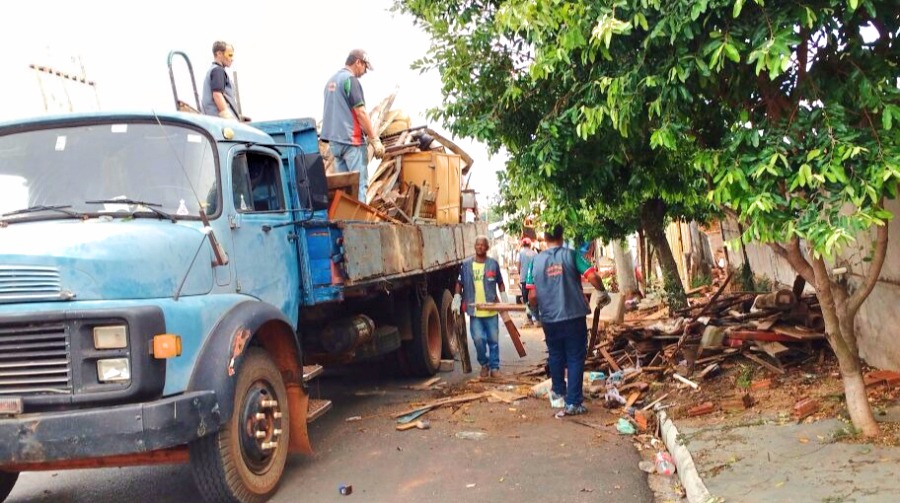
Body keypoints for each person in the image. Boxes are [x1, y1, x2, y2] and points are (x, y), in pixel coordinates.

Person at [527, 224, 610, 417]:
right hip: (573, 316)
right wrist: (603, 292)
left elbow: (532, 295)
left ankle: (558, 394)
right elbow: (593, 276)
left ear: (545, 239)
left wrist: (534, 312)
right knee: (574, 357)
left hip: (549, 318)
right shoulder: (572, 255)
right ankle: (573, 402)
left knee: (556, 355)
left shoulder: (536, 261)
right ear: (562, 236)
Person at [321, 49, 385, 201]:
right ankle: (359, 223)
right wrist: (374, 139)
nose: (365, 72)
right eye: (365, 67)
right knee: (359, 185)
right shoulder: (350, 81)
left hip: (335, 144)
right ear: (358, 62)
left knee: (343, 189)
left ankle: (347, 219)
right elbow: (361, 112)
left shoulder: (331, 81)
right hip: (352, 142)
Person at [453, 235, 508, 378]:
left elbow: (500, 282)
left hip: (491, 311)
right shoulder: (466, 265)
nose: (480, 247)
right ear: (475, 246)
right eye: (477, 244)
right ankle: (484, 364)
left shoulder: (493, 264)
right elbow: (459, 283)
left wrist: (504, 298)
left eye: (483, 245)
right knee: (478, 340)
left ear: (487, 247)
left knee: (493, 341)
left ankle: (494, 368)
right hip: (475, 311)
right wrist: (457, 297)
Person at [201, 41, 241, 120]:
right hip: (220, 122)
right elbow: (217, 95)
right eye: (230, 55)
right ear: (219, 54)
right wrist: (229, 117)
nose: (232, 59)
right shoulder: (218, 71)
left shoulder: (213, 70)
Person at [517, 237, 539, 328]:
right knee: (534, 299)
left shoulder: (520, 253)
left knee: (526, 299)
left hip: (524, 279)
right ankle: (537, 319)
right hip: (533, 279)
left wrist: (520, 273)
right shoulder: (534, 253)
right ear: (530, 245)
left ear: (522, 245)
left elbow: (518, 265)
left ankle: (529, 318)